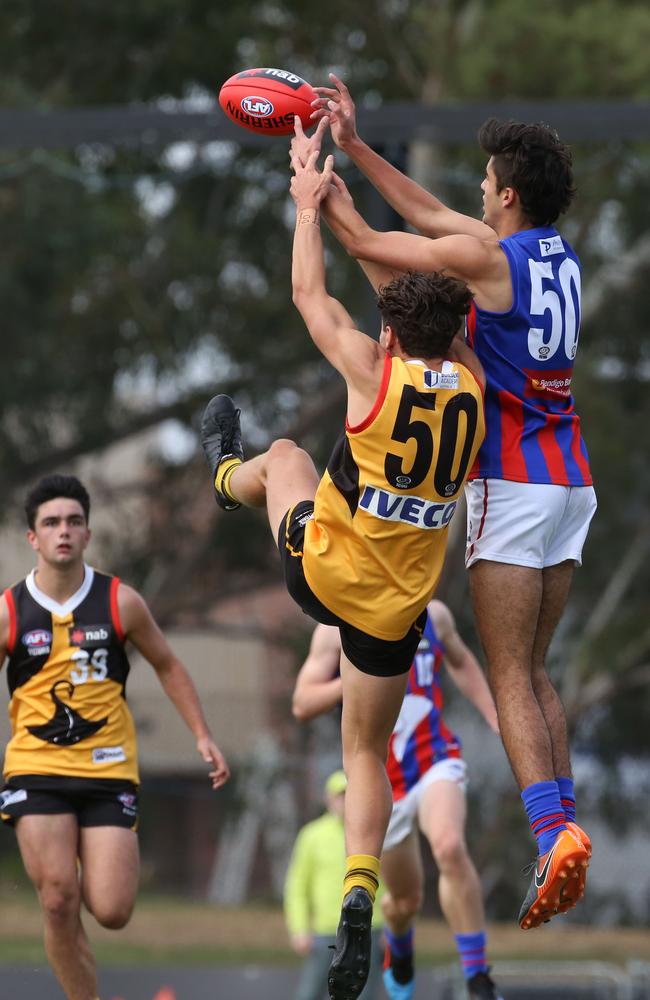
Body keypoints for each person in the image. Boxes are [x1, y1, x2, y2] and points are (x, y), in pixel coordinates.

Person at [297, 77, 595, 930]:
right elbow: (431, 215)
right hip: (572, 482)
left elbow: (386, 244)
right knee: (536, 670)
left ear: (504, 191)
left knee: (506, 672)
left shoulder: (488, 260)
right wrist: (357, 147)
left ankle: (552, 833)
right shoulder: (552, 254)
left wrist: (316, 198)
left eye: (484, 182)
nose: (474, 193)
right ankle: (561, 827)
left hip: (516, 481)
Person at [200, 146, 485, 999]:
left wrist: (307, 204)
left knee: (284, 455)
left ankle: (222, 477)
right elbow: (438, 324)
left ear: (392, 334)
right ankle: (361, 888)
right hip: (398, 614)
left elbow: (308, 297)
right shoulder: (474, 386)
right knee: (366, 751)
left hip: (324, 578)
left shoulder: (372, 370)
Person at [0, 474, 230, 1000]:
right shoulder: (10, 611)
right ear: (32, 538)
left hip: (108, 769)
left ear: (87, 533)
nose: (63, 532)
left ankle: (82, 864)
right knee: (59, 898)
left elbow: (168, 666)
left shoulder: (120, 601)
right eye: (51, 523)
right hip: (37, 768)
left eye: (73, 522)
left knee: (112, 910)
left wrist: (202, 735)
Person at [293, 606, 504, 1000]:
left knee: (449, 845)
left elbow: (460, 660)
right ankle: (401, 943)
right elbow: (302, 702)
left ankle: (478, 978)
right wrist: (365, 673)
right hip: (380, 780)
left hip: (433, 758)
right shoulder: (335, 629)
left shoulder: (436, 615)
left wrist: (494, 715)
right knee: (404, 901)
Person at [284, 769, 383, 1000]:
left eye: (351, 794)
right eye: (341, 795)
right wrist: (299, 928)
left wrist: (389, 926)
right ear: (329, 799)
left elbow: (384, 880)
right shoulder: (312, 835)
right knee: (310, 993)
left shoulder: (372, 832)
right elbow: (297, 886)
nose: (345, 801)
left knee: (363, 994)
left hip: (368, 928)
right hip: (325, 930)